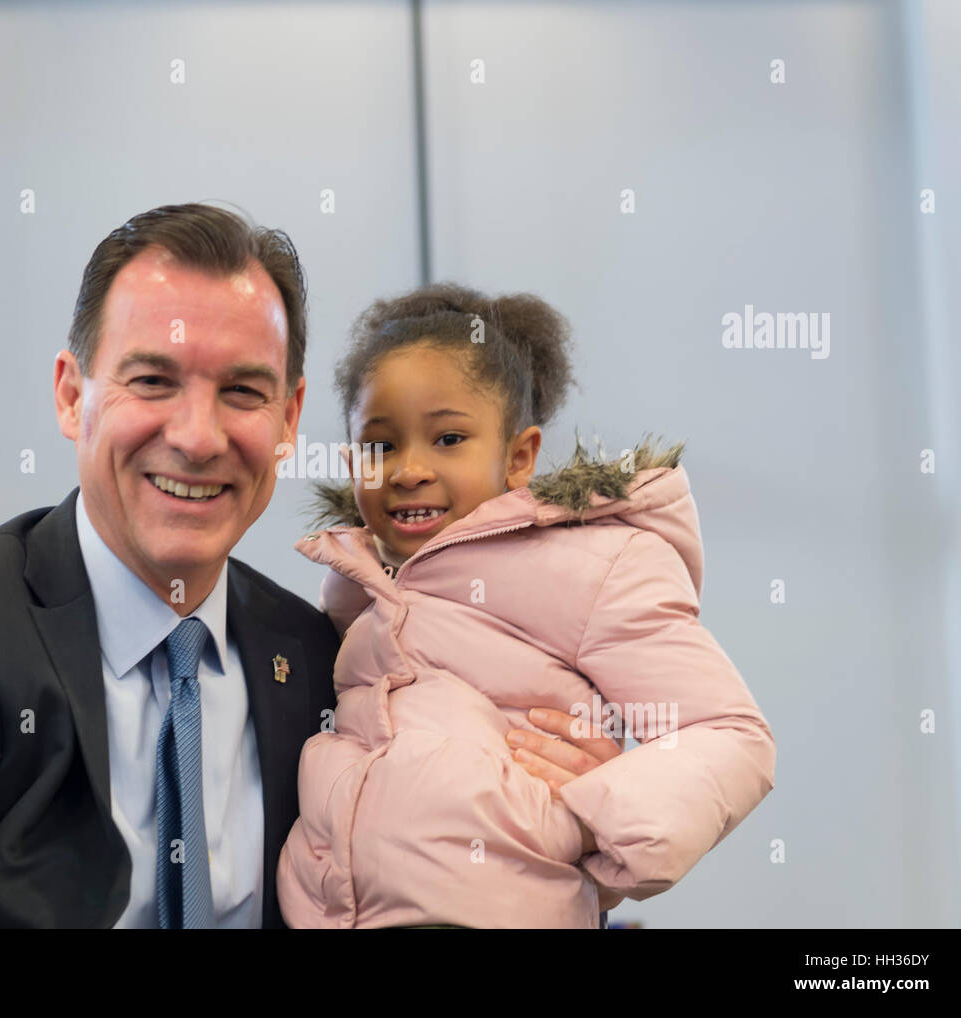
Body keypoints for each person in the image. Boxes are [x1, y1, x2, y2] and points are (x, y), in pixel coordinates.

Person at [0, 203, 606, 929]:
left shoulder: (326, 658)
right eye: (153, 379)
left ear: (288, 419)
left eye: (243, 393)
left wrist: (568, 815)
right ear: (73, 397)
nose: (199, 437)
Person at [276, 283, 777, 928]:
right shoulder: (356, 588)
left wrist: (595, 819)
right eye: (381, 445)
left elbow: (729, 734)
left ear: (519, 457)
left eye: (449, 439)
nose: (408, 469)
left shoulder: (594, 568)